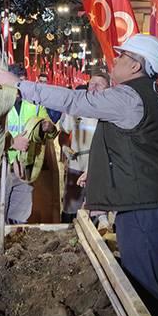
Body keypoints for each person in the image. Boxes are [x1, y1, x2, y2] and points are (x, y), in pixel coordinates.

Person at [0, 35, 158, 316]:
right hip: (150, 205)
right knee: (146, 286)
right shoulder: (145, 95)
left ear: (135, 65)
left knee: (148, 298)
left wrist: (18, 84)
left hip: (146, 210)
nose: (114, 61)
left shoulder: (128, 96)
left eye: (121, 57)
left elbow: (74, 100)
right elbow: (137, 148)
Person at [0, 63, 56, 224]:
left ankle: (13, 244)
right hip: (2, 167)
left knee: (19, 218)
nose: (18, 88)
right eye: (14, 83)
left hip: (26, 169)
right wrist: (11, 143)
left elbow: (50, 131)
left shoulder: (35, 103)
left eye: (21, 83)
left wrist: (48, 127)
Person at [57, 73, 110, 226]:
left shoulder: (111, 111)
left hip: (100, 168)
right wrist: (65, 148)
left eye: (99, 84)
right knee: (71, 207)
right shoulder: (76, 108)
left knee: (97, 209)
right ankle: (68, 234)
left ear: (108, 89)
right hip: (77, 166)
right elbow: (64, 132)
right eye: (91, 84)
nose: (94, 87)